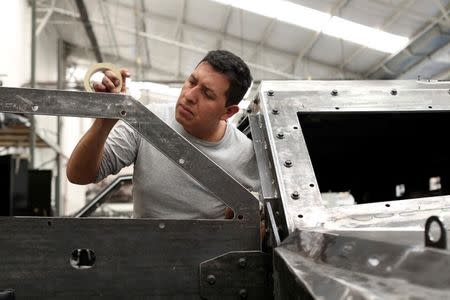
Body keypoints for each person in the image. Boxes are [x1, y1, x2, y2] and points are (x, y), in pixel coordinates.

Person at [66, 50, 260, 219]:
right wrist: (104, 122)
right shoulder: (148, 120)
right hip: (144, 257)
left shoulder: (245, 155)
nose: (190, 96)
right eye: (191, 81)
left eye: (207, 94)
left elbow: (262, 219)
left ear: (228, 112)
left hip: (207, 261)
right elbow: (78, 175)